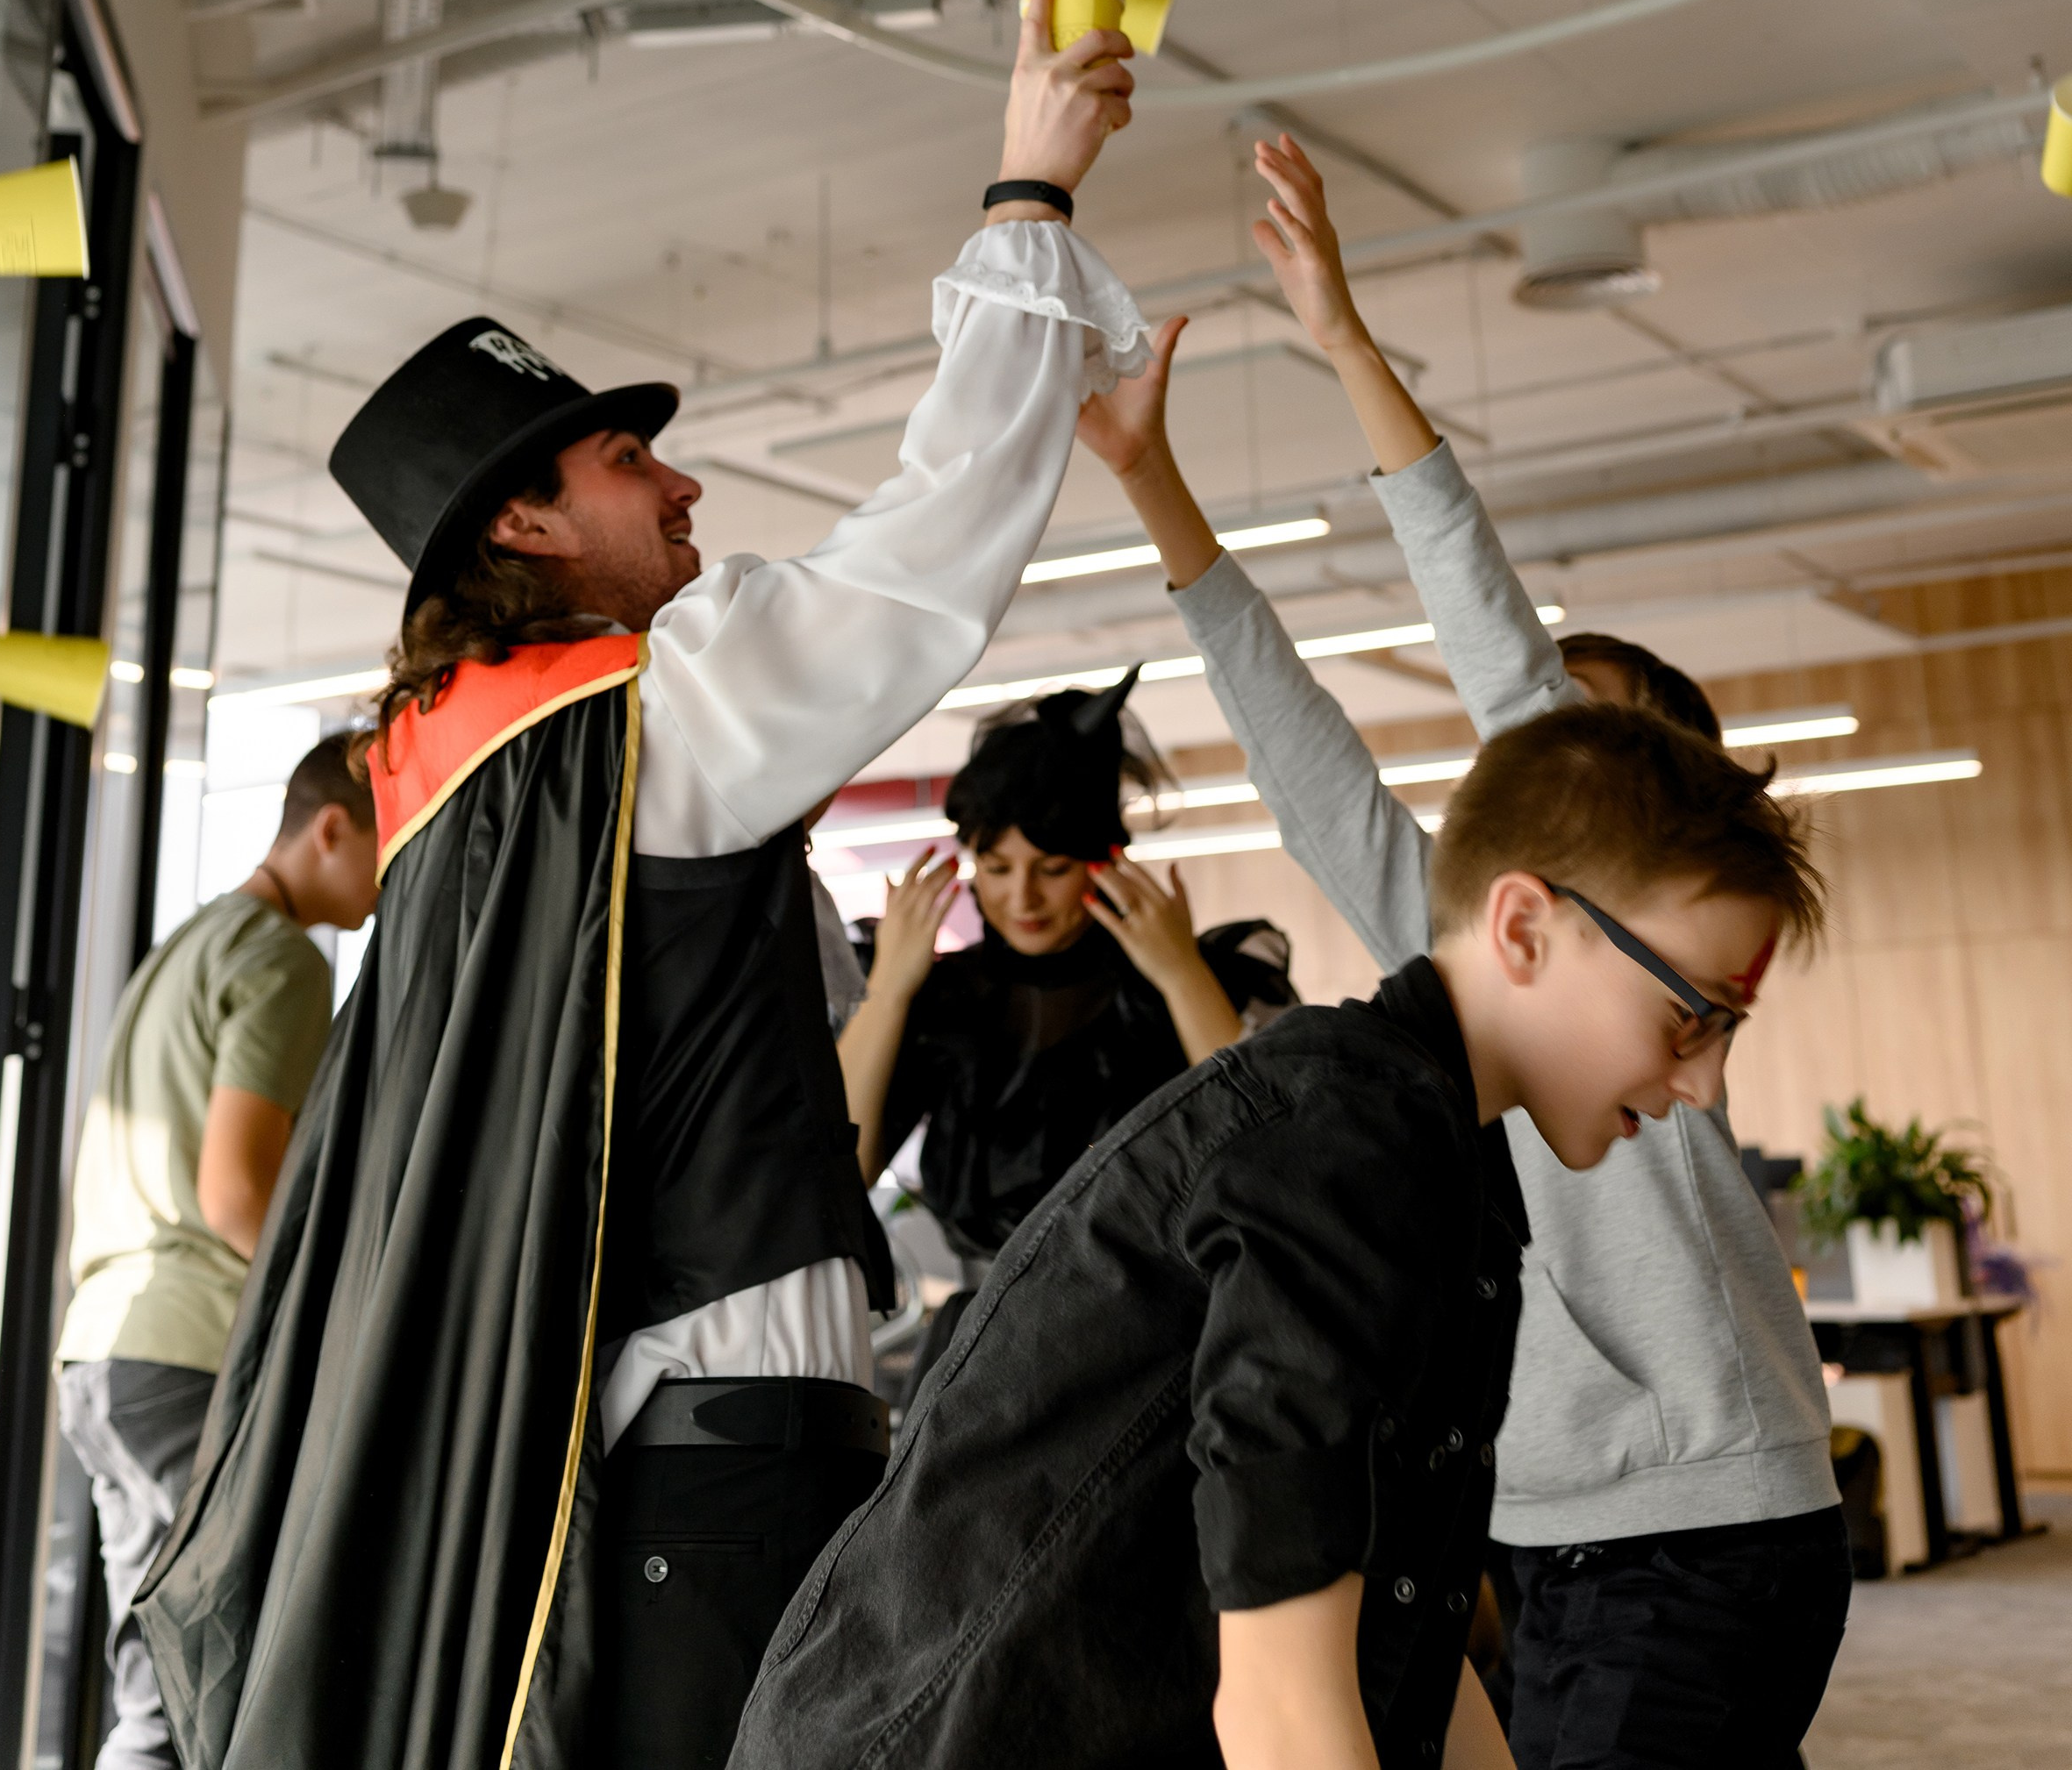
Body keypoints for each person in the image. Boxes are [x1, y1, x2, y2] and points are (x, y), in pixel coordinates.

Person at [137, 0, 1146, 1770]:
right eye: (628, 458)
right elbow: (918, 566)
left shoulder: (463, 792)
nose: (681, 484)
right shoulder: (630, 726)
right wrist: (1026, 201)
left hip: (656, 1444)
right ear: (526, 522)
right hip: (727, 1442)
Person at [1077, 131, 1853, 1770]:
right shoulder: (1479, 960)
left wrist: (1349, 342)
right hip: (1560, 1534)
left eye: (1585, 747)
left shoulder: (1657, 1011)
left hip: (1697, 1526)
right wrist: (1156, 489)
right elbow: (1312, 778)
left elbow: (1499, 654)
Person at [729, 697, 1824, 1770]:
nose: (1705, 1083)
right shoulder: (1345, 1146)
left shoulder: (1445, 1152)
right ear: (1526, 928)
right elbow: (1283, 1706)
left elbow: (1407, 1636)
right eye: (1692, 1013)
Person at [55, 732, 379, 1770]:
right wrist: (345, 1307)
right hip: (189, 1351)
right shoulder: (280, 960)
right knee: (225, 1677)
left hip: (105, 1354)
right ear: (330, 828)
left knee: (159, 1681)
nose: (389, 876)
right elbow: (238, 1191)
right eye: (386, 841)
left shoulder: (184, 949)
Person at [838, 673, 1293, 1384]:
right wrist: (889, 993)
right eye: (995, 866)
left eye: (1050, 868)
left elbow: (1271, 1154)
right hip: (980, 1358)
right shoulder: (940, 1004)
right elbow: (840, 1170)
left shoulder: (1196, 981)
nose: (1021, 897)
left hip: (1159, 1346)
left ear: (1102, 858)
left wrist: (1181, 976)